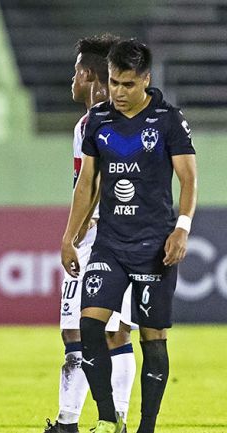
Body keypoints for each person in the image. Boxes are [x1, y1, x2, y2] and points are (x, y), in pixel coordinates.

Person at [61, 39, 197, 433]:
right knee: (89, 326)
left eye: (127, 84)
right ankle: (107, 419)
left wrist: (182, 229)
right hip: (110, 243)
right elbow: (87, 183)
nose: (118, 92)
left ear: (146, 80)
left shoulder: (169, 120)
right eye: (114, 82)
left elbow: (188, 179)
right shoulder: (99, 121)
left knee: (153, 339)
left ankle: (146, 426)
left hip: (155, 244)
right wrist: (70, 236)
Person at [44, 34, 137, 433]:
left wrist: (74, 234)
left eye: (75, 72)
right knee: (78, 331)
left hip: (113, 238)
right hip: (97, 237)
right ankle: (70, 421)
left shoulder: (112, 123)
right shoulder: (87, 123)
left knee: (113, 332)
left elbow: (96, 185)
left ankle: (112, 418)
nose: (72, 79)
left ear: (87, 75)